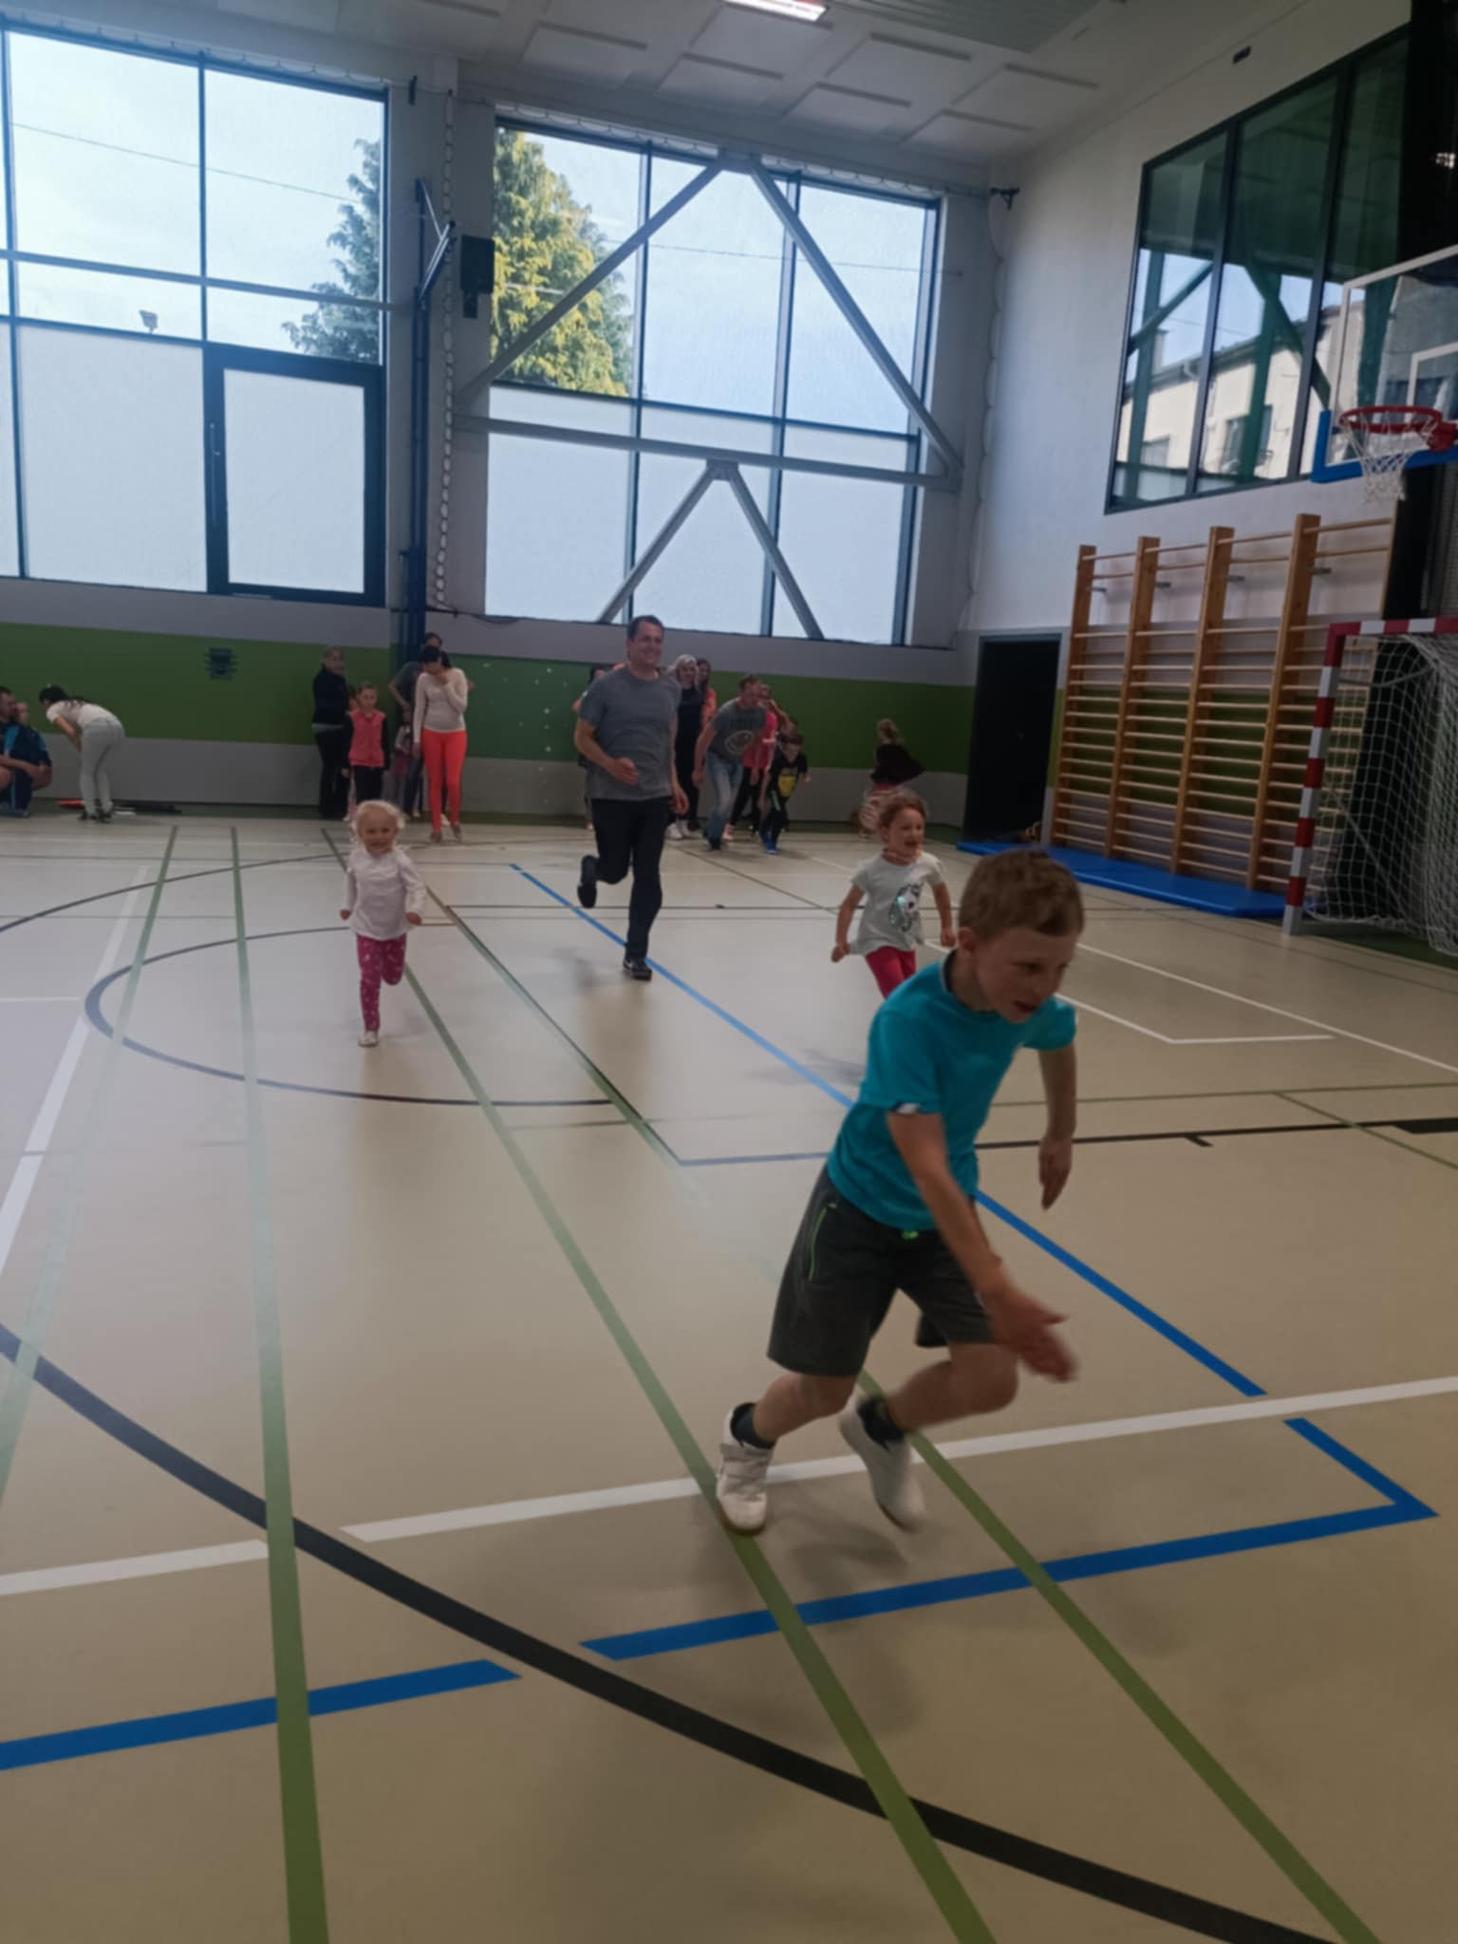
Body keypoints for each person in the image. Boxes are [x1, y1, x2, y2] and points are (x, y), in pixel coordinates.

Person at [716, 848, 1083, 1537]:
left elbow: (1060, 1035)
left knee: (990, 1378)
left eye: (1061, 968)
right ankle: (747, 1438)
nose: (1045, 986)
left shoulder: (1025, 1004)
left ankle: (882, 1428)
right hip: (857, 1212)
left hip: (942, 1219)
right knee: (823, 1389)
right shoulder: (908, 1021)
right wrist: (999, 1288)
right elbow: (926, 1164)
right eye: (1031, 967)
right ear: (969, 944)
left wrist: (1060, 1131)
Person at [574, 615, 688, 982]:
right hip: (610, 795)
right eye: (645, 639)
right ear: (629, 644)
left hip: (654, 795)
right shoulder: (605, 688)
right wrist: (610, 763)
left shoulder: (671, 689)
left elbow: (667, 742)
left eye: (658, 640)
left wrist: (674, 783)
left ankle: (636, 954)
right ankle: (593, 869)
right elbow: (581, 738)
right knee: (615, 870)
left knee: (648, 875)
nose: (652, 646)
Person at [833, 790, 955, 998]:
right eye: (905, 828)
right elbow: (848, 905)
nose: (914, 834)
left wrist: (947, 926)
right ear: (885, 832)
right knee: (898, 995)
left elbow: (941, 892)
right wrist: (841, 940)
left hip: (906, 939)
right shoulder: (871, 870)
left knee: (908, 996)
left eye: (919, 827)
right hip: (876, 941)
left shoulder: (927, 864)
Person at [339, 800, 426, 1047]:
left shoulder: (401, 861)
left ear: (395, 831)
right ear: (359, 833)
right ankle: (371, 1027)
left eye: (385, 831)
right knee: (369, 978)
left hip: (395, 929)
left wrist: (415, 910)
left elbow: (417, 888)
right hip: (366, 928)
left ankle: (391, 971)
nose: (379, 837)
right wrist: (347, 906)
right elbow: (350, 883)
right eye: (371, 831)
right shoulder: (356, 858)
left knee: (393, 976)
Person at [693, 675, 767, 852]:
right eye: (750, 694)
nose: (754, 699)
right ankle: (714, 838)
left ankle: (710, 828)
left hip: (737, 760)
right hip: (717, 758)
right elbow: (703, 740)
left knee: (727, 805)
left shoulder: (760, 713)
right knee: (724, 801)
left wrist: (755, 767)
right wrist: (697, 769)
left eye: (757, 695)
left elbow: (757, 739)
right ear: (741, 692)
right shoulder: (727, 712)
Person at [38, 685, 126, 823]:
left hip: (96, 728)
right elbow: (75, 730)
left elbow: (70, 731)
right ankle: (106, 807)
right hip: (117, 727)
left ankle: (90, 810)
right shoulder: (77, 703)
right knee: (100, 770)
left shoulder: (52, 709)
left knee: (87, 771)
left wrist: (81, 749)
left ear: (46, 701)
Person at [413, 644, 470, 843]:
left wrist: (446, 685)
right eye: (424, 665)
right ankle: (436, 826)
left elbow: (461, 707)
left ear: (438, 661)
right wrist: (417, 739)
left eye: (428, 664)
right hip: (431, 732)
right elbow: (419, 709)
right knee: (434, 781)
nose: (426, 669)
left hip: (455, 733)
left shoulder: (457, 675)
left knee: (452, 781)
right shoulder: (423, 679)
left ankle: (455, 819)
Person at [860, 719, 925, 836]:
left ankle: (869, 829)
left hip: (883, 782)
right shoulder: (899, 748)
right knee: (890, 806)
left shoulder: (881, 750)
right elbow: (910, 765)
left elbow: (881, 766)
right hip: (894, 783)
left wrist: (875, 773)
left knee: (874, 804)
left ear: (881, 733)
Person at [668, 653, 707, 842]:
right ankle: (670, 822)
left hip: (693, 742)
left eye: (692, 669)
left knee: (690, 782)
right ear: (678, 671)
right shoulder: (672, 690)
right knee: (673, 782)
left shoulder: (698, 692)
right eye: (685, 669)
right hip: (675, 741)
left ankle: (684, 819)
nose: (689, 673)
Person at [732, 685, 780, 835]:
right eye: (760, 697)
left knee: (759, 795)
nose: (763, 700)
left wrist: (769, 763)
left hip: (764, 762)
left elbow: (773, 741)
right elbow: (750, 739)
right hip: (748, 759)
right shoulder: (750, 715)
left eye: (766, 698)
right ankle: (731, 824)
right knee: (744, 793)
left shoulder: (772, 718)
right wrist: (765, 742)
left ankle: (757, 826)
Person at [312, 648, 351, 822]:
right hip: (325, 726)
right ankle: (326, 806)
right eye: (333, 659)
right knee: (330, 766)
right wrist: (343, 709)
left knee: (341, 766)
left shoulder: (341, 680)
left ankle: (339, 804)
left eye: (339, 659)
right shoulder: (321, 680)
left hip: (339, 726)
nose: (337, 662)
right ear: (325, 660)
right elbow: (324, 704)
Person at [573, 664, 613, 832]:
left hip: (610, 745)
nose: (601, 679)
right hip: (592, 744)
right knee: (592, 782)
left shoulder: (613, 693)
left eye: (604, 676)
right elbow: (576, 708)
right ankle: (590, 818)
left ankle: (607, 818)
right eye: (597, 677)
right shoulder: (589, 693)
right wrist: (590, 692)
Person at [0, 694, 52, 818]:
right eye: (9, 704)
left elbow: (38, 750)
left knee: (41, 774)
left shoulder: (25, 730)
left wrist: (41, 764)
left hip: (12, 764)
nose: (14, 708)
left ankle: (9, 801)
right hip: (6, 766)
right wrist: (25, 765)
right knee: (4, 774)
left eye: (14, 704)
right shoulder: (11, 730)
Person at [760, 726, 809, 855]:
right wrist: (761, 796)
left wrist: (806, 778)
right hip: (774, 791)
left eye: (796, 750)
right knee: (779, 814)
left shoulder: (801, 759)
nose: (793, 753)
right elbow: (767, 778)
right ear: (786, 747)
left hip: (787, 791)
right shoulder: (778, 760)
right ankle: (772, 842)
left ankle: (763, 829)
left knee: (775, 813)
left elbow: (804, 772)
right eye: (790, 750)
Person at [348, 683, 388, 808]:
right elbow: (346, 741)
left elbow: (385, 741)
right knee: (361, 795)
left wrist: (386, 762)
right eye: (365, 697)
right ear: (359, 698)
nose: (369, 701)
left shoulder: (381, 718)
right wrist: (345, 764)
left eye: (372, 697)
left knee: (375, 797)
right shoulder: (352, 717)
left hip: (377, 762)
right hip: (359, 761)